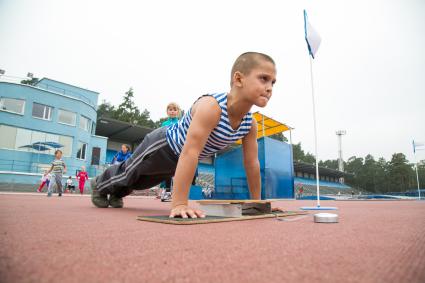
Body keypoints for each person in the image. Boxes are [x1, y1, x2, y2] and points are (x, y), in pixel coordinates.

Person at [91, 52, 277, 218]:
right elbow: (190, 152)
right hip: (163, 145)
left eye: (273, 82)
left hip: (178, 161)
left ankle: (115, 194)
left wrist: (257, 203)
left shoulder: (249, 124)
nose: (269, 88)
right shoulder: (212, 107)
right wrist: (179, 204)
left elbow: (252, 163)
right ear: (238, 79)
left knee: (141, 182)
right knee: (129, 172)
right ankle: (99, 184)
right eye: (263, 78)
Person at [159, 102, 181, 201]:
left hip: (177, 151)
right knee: (166, 171)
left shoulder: (180, 123)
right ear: (167, 112)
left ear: (178, 112)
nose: (172, 112)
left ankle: (177, 194)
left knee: (177, 172)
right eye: (170, 110)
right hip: (166, 151)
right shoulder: (164, 124)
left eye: (174, 110)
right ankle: (167, 191)